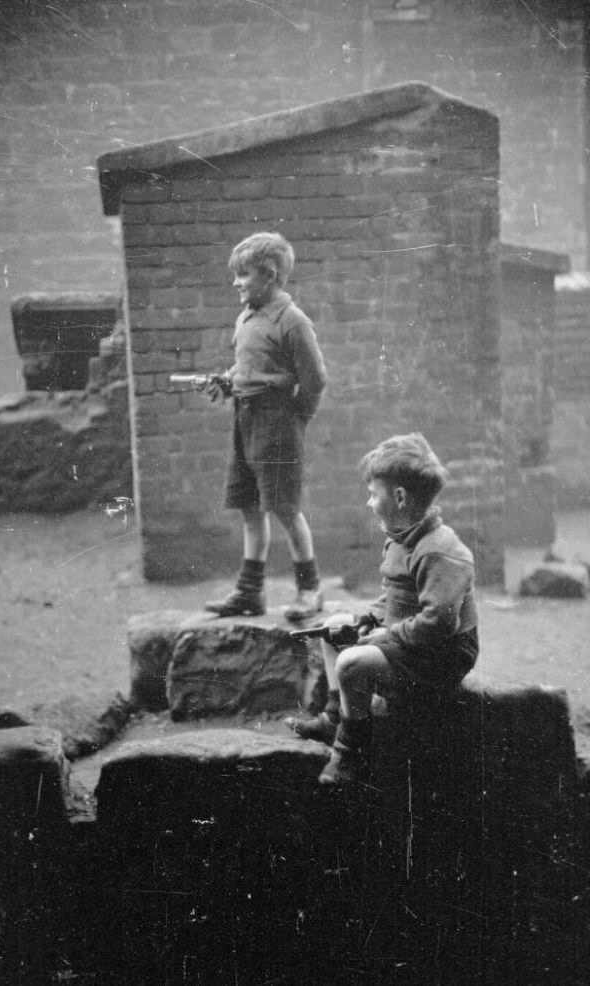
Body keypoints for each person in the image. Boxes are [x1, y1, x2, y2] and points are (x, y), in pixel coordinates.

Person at [287, 432, 479, 785]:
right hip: (413, 639)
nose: (368, 502)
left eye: (374, 494)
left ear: (400, 497)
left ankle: (351, 750)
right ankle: (334, 718)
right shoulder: (401, 538)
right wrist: (366, 620)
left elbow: (439, 622)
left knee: (351, 663)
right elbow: (393, 595)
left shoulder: (439, 552)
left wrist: (385, 636)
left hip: (440, 657)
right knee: (336, 627)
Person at [204, 231, 327, 622]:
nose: (236, 283)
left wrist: (297, 418)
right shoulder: (247, 317)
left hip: (277, 424)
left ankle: (310, 591)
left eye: (244, 275)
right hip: (245, 420)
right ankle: (249, 593)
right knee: (249, 506)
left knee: (284, 508)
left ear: (270, 275)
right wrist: (229, 382)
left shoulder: (292, 321)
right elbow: (250, 368)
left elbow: (315, 379)